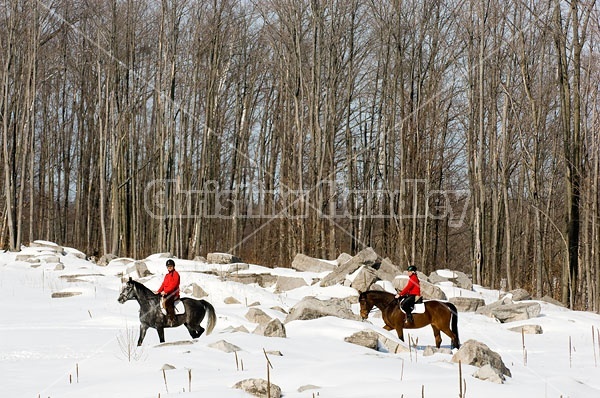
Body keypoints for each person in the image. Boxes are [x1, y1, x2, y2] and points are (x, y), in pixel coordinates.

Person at [157, 259, 180, 326]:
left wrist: (165, 291)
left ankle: (173, 319)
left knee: (167, 303)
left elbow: (174, 285)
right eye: (168, 266)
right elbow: (163, 284)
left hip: (174, 293)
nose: (169, 267)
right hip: (166, 293)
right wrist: (159, 291)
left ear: (173, 266)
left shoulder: (176, 274)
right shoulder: (167, 275)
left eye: (171, 266)